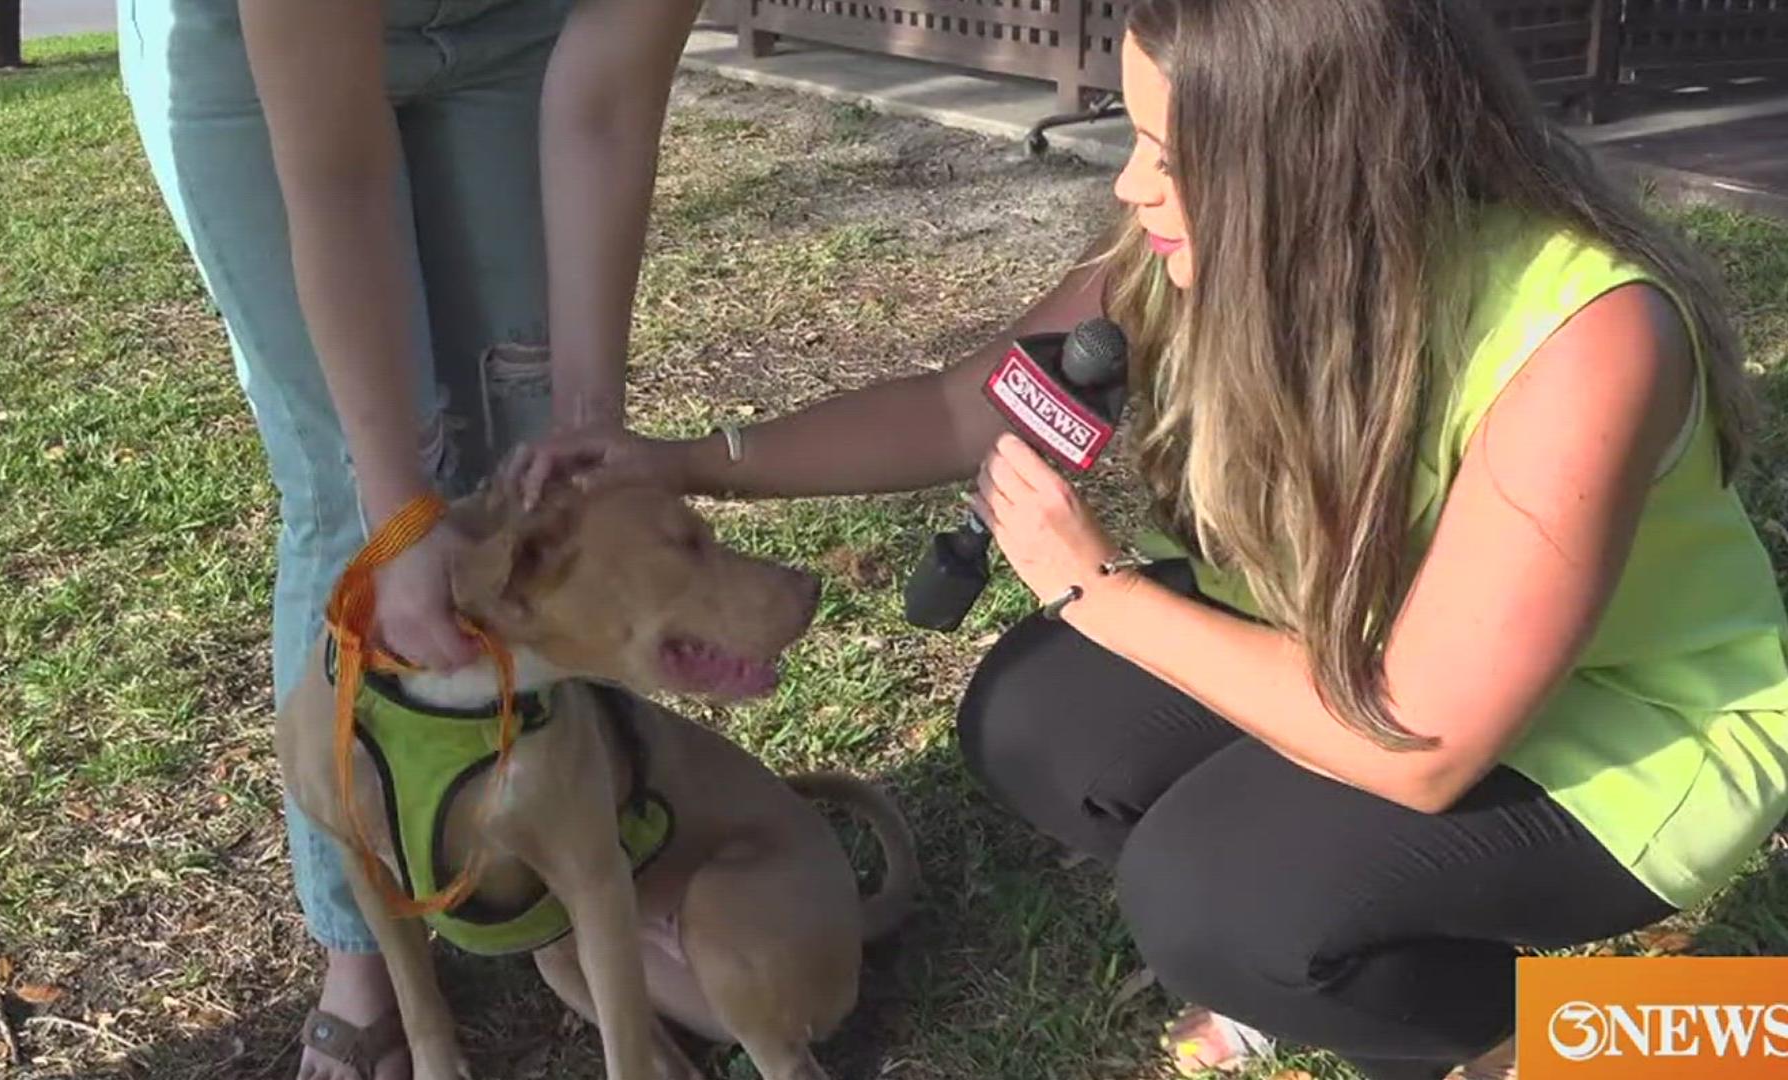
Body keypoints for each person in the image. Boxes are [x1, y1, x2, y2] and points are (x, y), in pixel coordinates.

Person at [510, 1, 1788, 1077]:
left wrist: (1094, 582)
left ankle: (1624, 1037)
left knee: (1211, 903)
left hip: (1629, 730)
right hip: (1368, 649)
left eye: (1170, 155)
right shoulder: (1206, 255)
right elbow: (971, 404)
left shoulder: (1587, 340)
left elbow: (1423, 744)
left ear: (1316, 164)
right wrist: (685, 463)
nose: (1130, 184)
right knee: (1038, 719)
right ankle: (1333, 949)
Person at [116, 0, 704, 1075]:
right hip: (259, 45)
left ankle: (552, 870)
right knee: (359, 507)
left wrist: (586, 426)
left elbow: (611, 97)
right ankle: (367, 954)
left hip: (522, 23)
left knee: (529, 467)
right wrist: (399, 506)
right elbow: (336, 170)